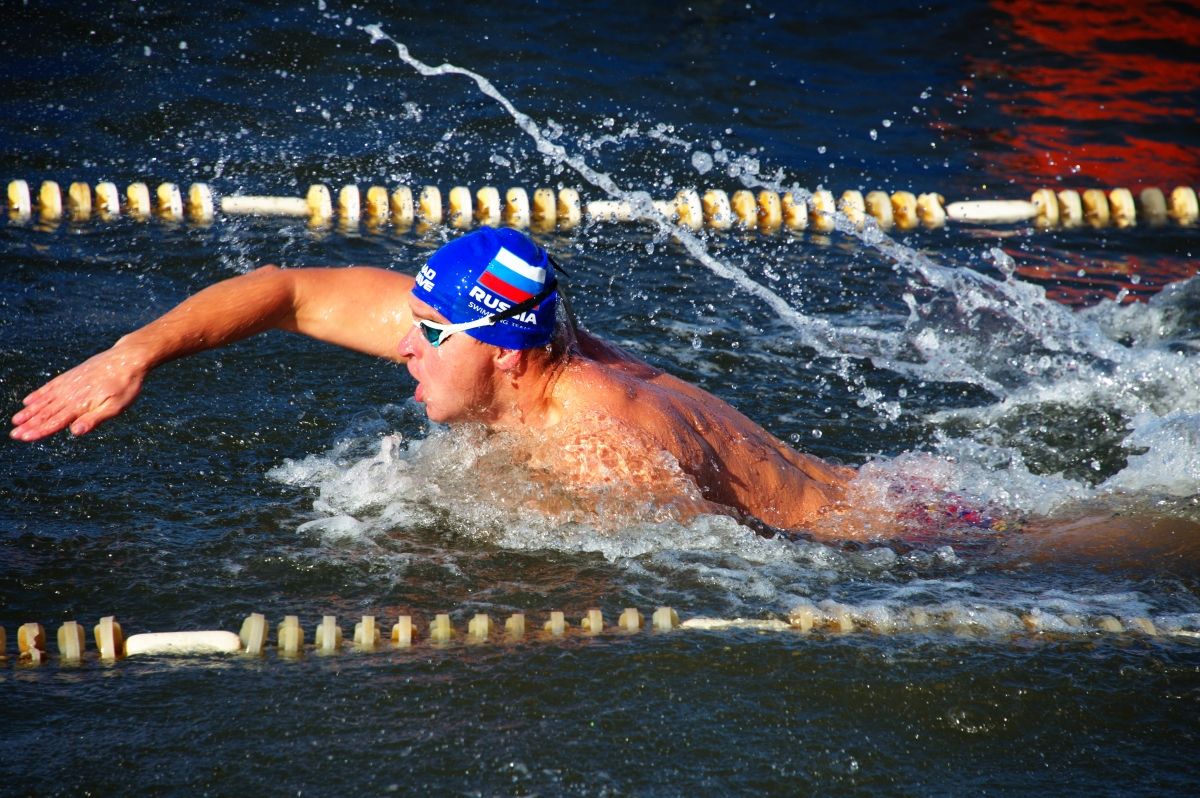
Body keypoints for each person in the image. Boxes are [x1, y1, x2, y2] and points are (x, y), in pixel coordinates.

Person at [10, 228, 854, 534]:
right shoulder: (519, 343)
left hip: (892, 539)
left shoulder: (602, 441)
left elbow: (689, 575)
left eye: (431, 337)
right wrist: (134, 352)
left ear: (507, 355)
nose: (405, 349)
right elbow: (287, 291)